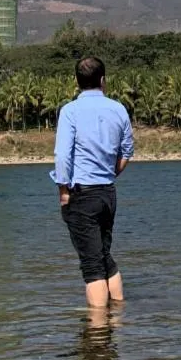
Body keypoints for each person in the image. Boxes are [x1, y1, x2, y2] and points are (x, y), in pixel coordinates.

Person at [51, 56, 135, 308]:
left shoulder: (70, 111)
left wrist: (63, 190)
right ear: (103, 80)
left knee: (91, 265)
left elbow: (63, 155)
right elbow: (127, 151)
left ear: (76, 81)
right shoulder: (118, 108)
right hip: (107, 193)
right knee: (103, 256)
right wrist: (111, 174)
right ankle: (117, 318)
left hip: (82, 194)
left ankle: (97, 334)